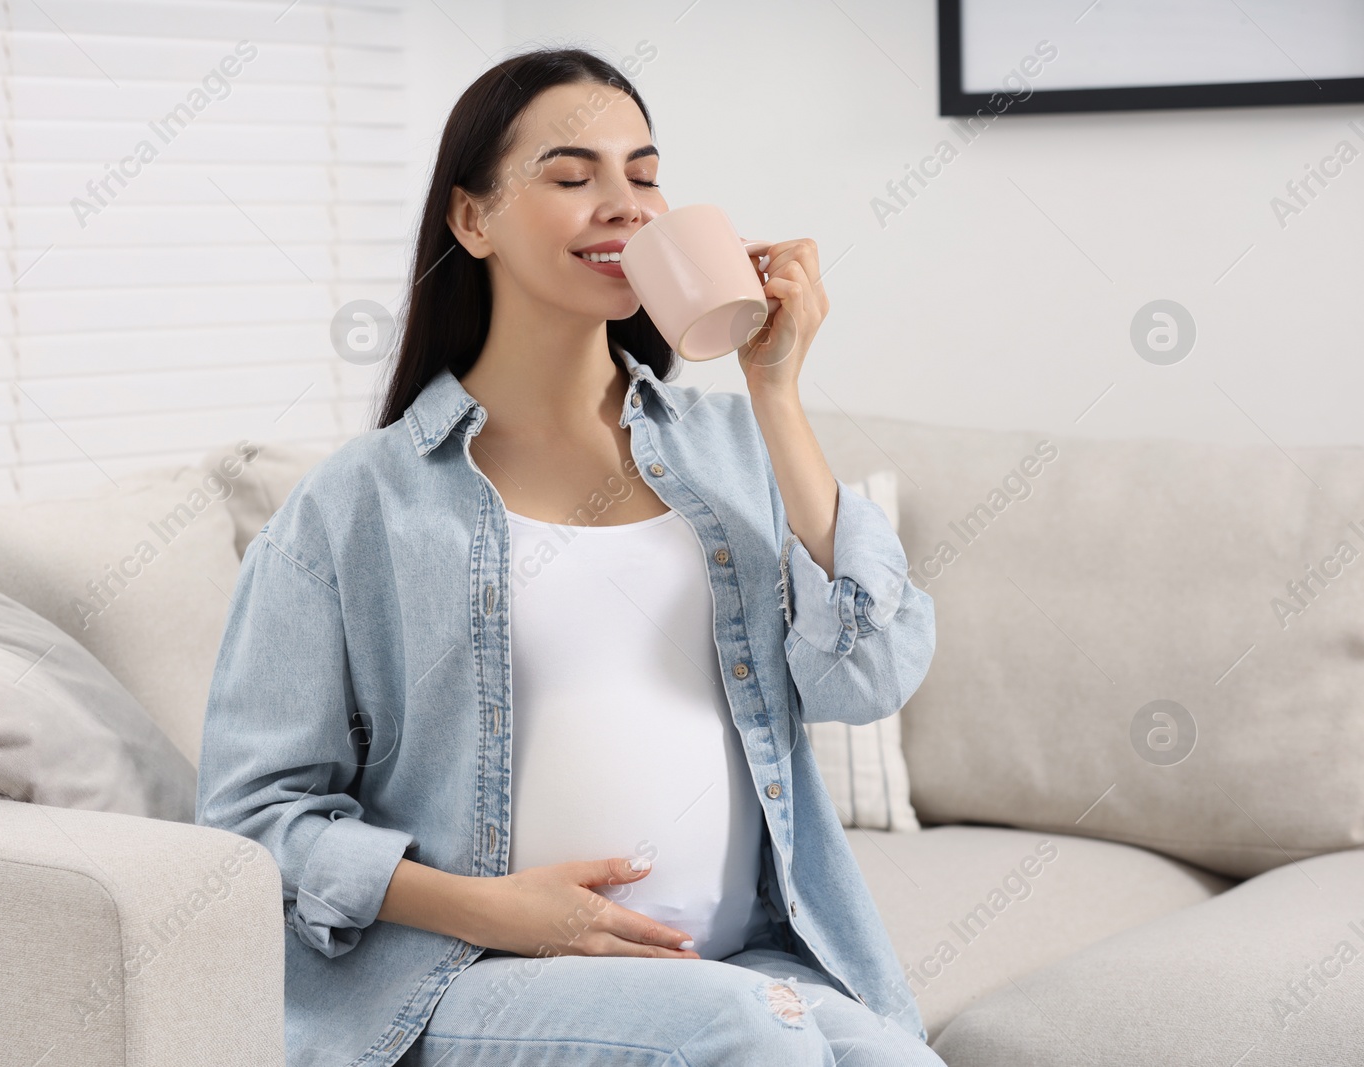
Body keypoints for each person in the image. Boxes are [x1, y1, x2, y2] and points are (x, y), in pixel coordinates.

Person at [196, 46, 944, 1067]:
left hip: (745, 962)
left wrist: (776, 393)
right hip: (463, 975)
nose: (624, 204)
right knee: (742, 1037)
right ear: (473, 219)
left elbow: (866, 673)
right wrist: (493, 910)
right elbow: (253, 817)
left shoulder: (735, 450)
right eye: (571, 175)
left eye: (642, 174)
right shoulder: (357, 504)